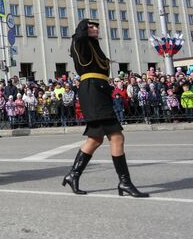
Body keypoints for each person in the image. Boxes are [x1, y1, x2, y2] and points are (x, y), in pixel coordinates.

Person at [62, 19, 148, 198]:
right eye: (91, 27)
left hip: (98, 89)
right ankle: (124, 182)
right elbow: (78, 38)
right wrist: (82, 30)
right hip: (92, 90)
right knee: (116, 136)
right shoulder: (81, 42)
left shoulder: (94, 45)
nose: (96, 29)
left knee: (96, 139)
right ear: (84, 29)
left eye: (97, 26)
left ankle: (73, 174)